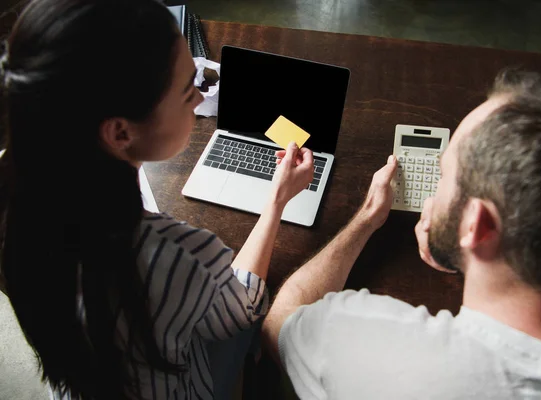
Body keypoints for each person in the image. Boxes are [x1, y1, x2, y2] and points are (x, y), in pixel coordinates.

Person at [0, 0, 313, 399]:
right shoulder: (170, 253)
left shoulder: (15, 193)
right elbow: (239, 309)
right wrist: (277, 199)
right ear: (119, 132)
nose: (201, 101)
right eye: (188, 91)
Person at [262, 69, 541, 399]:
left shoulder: (362, 340)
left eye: (442, 176)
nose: (434, 193)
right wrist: (473, 255)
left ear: (477, 225)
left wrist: (365, 218)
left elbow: (280, 321)